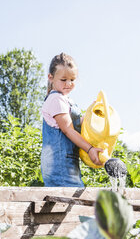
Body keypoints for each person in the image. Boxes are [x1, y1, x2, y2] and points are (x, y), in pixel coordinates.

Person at [41, 53, 103, 187]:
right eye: (63, 79)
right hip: (59, 167)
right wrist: (90, 149)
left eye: (72, 79)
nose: (68, 84)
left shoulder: (65, 100)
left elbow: (76, 123)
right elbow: (68, 130)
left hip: (66, 164)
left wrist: (93, 113)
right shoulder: (56, 99)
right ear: (51, 78)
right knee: (75, 203)